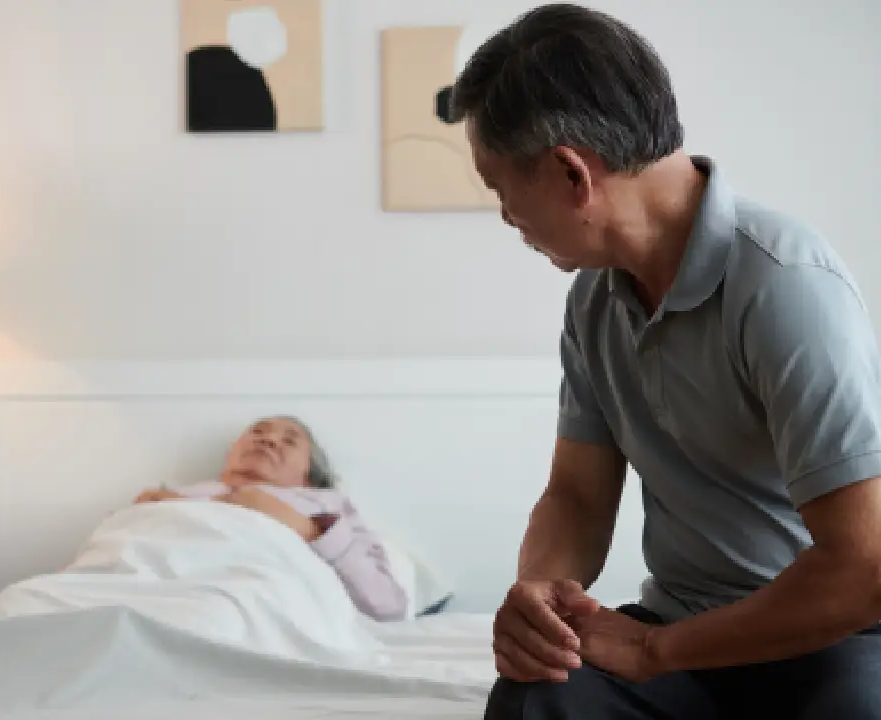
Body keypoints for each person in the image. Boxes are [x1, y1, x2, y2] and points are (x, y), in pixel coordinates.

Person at [450, 4, 881, 718]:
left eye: (501, 190)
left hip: (834, 636)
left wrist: (656, 653)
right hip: (683, 632)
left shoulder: (786, 284)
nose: (505, 217)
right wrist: (539, 591)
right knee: (536, 699)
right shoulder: (595, 298)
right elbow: (578, 497)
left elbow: (865, 567)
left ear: (570, 173)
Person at [134, 415, 409, 623]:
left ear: (309, 474)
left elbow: (386, 606)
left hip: (267, 612)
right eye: (257, 433)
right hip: (165, 603)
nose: (268, 440)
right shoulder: (176, 497)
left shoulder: (325, 505)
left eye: (289, 441)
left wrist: (302, 526)